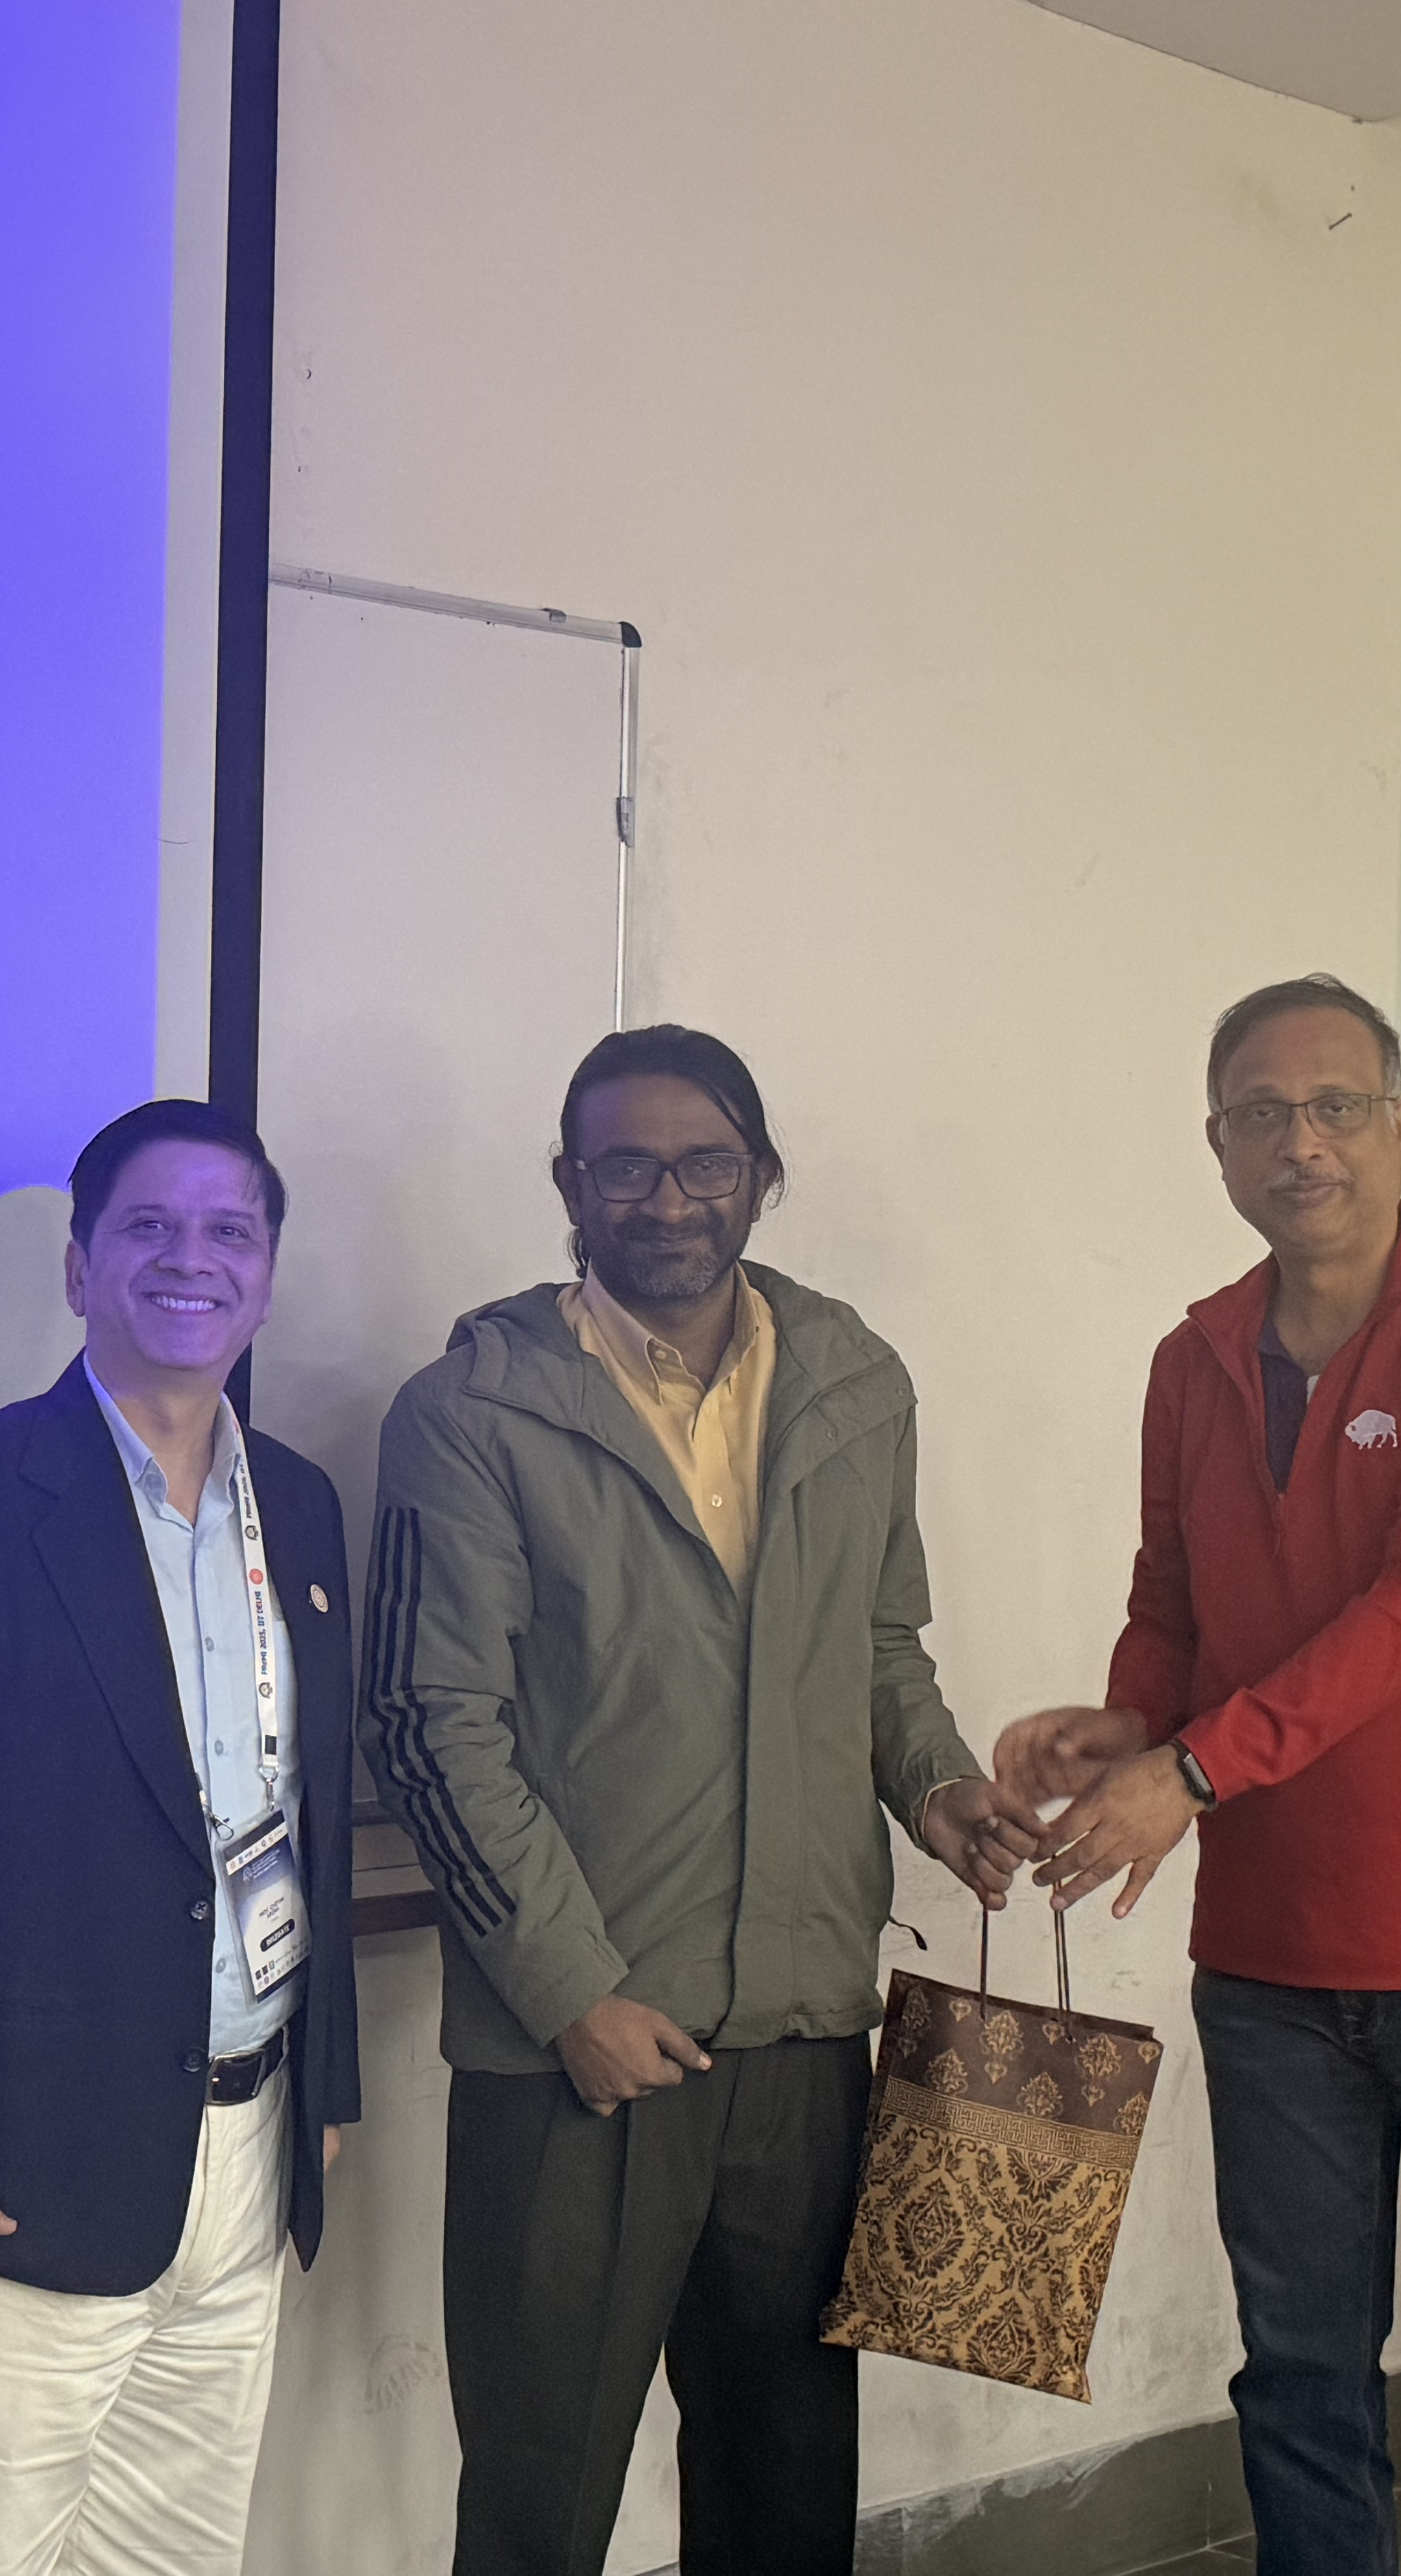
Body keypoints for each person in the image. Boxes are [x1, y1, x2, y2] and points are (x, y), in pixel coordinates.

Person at [364, 1025, 1039, 2576]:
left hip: (804, 2030)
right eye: (627, 1168)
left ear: (760, 1177)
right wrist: (571, 1995)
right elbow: (430, 1726)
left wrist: (936, 1784)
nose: (667, 1200)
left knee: (786, 2485)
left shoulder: (856, 1381)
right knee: (541, 2499)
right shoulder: (471, 1411)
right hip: (586, 2049)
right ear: (569, 1185)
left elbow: (880, 1644)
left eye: (704, 1165)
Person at [997, 975, 1401, 2576]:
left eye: (1337, 1108)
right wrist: (1129, 1728)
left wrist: (1194, 1768)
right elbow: (1176, 1603)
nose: (1304, 1144)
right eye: (1263, 1114)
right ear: (1218, 1144)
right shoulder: (1196, 1356)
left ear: (1400, 1128)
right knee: (1298, 2386)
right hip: (1272, 1964)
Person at [0, 1099, 360, 2576]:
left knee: (177, 2557)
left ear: (268, 1274)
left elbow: (307, 1815)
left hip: (242, 2149)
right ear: (78, 1267)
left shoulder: (298, 1509)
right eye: (147, 1228)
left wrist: (320, 2086)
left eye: (229, 1231)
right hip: (9, 2173)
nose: (191, 1259)